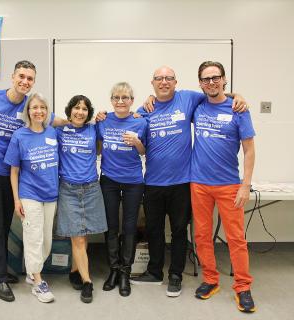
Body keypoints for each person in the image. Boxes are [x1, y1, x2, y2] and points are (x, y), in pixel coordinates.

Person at [130, 66, 247, 298]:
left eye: (169, 78)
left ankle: (176, 275)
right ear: (152, 83)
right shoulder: (145, 110)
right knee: (153, 230)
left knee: (179, 231)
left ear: (176, 82)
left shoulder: (188, 98)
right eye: (159, 79)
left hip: (183, 182)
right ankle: (154, 272)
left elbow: (215, 93)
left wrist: (238, 95)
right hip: (153, 182)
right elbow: (136, 137)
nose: (164, 82)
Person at [0, 60, 65, 302]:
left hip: (14, 175)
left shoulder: (31, 107)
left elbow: (57, 120)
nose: (25, 81)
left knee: (6, 225)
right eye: (21, 76)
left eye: (30, 78)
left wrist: (93, 118)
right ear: (12, 77)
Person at [191, 61, 256, 313]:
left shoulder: (239, 109)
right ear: (200, 83)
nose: (211, 82)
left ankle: (242, 286)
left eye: (215, 78)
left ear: (224, 79)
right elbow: (170, 98)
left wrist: (245, 185)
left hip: (229, 185)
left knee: (236, 238)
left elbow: (249, 150)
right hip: (198, 183)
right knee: (202, 235)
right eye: (206, 79)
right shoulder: (197, 105)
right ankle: (210, 279)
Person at [4, 93, 59, 303]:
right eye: (34, 107)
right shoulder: (20, 135)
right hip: (29, 194)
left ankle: (32, 271)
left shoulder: (53, 132)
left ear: (47, 111)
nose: (39, 111)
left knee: (46, 240)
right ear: (28, 111)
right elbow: (14, 171)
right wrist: (17, 200)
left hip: (51, 194)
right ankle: (38, 282)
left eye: (43, 107)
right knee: (33, 237)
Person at [55, 95, 108, 303]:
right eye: (76, 108)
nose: (80, 112)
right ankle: (87, 282)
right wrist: (63, 120)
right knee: (76, 237)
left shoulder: (93, 129)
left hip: (91, 188)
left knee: (83, 235)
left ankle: (74, 270)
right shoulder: (59, 131)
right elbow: (40, 117)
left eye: (84, 109)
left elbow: (116, 122)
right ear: (70, 111)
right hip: (68, 189)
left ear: (89, 113)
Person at [97, 82, 147, 297]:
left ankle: (125, 272)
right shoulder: (103, 120)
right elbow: (97, 147)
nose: (120, 101)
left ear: (131, 101)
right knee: (111, 226)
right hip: (108, 180)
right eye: (116, 97)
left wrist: (136, 142)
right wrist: (97, 116)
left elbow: (144, 152)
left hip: (133, 181)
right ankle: (114, 270)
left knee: (129, 227)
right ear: (111, 100)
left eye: (125, 97)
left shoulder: (140, 122)